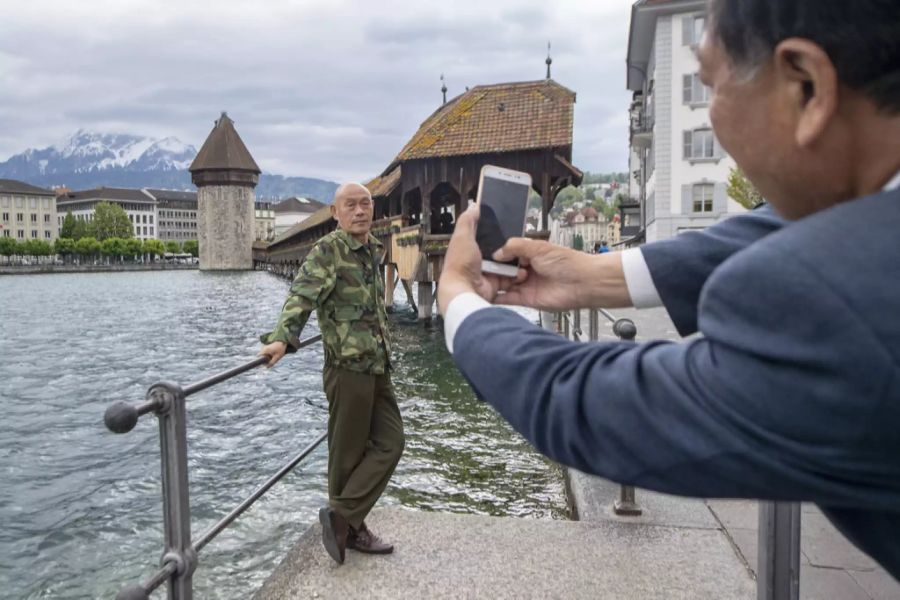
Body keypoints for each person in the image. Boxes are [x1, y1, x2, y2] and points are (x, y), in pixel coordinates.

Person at [437, 0, 900, 579]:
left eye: (710, 87)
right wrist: (592, 277)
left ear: (805, 86)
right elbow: (781, 231)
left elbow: (586, 406)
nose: (717, 125)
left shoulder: (835, 299)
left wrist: (460, 299)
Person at [259, 182, 403, 565]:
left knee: (392, 442)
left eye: (366, 204)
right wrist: (282, 339)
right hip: (347, 369)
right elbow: (301, 296)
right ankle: (352, 530)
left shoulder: (373, 249)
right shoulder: (328, 250)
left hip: (377, 365)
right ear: (335, 213)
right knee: (347, 455)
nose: (360, 211)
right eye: (350, 205)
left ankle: (342, 517)